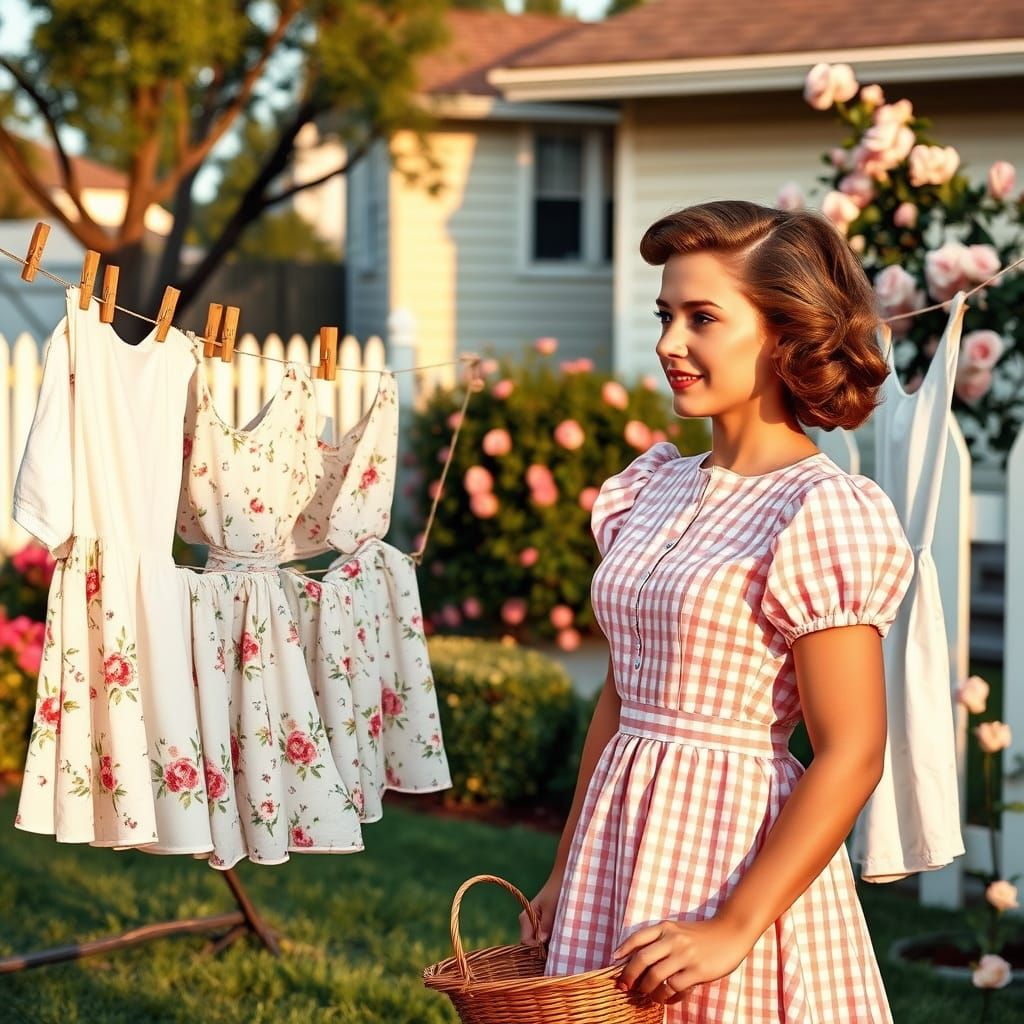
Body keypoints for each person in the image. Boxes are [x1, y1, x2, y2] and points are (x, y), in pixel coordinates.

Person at [519, 199, 915, 1022]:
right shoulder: (652, 487)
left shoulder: (818, 510)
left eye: (702, 318)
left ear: (783, 335)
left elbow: (852, 752)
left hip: (731, 858)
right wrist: (564, 871)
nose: (670, 342)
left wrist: (734, 927)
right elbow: (621, 697)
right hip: (615, 846)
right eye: (666, 315)